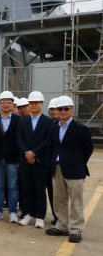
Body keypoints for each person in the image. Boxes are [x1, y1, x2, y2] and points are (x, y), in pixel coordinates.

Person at [45, 96, 94, 243]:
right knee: (59, 199)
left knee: (75, 201)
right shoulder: (54, 128)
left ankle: (76, 230)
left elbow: (88, 149)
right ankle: (62, 226)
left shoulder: (81, 129)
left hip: (75, 170)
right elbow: (52, 147)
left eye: (66, 108)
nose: (63, 111)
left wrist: (78, 163)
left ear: (72, 109)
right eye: (60, 109)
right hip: (57, 169)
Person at [16, 91, 54, 228]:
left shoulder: (48, 122)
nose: (33, 105)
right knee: (26, 189)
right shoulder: (23, 121)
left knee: (39, 189)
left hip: (40, 161)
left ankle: (39, 217)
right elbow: (19, 138)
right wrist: (27, 153)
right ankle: (27, 214)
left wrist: (34, 153)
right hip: (26, 160)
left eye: (36, 103)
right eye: (31, 103)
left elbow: (48, 140)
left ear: (42, 104)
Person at [0, 91, 21, 223]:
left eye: (9, 102)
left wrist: (20, 158)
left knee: (13, 186)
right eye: (3, 102)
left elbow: (21, 141)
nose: (6, 105)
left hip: (13, 159)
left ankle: (13, 211)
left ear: (13, 104)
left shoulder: (19, 120)